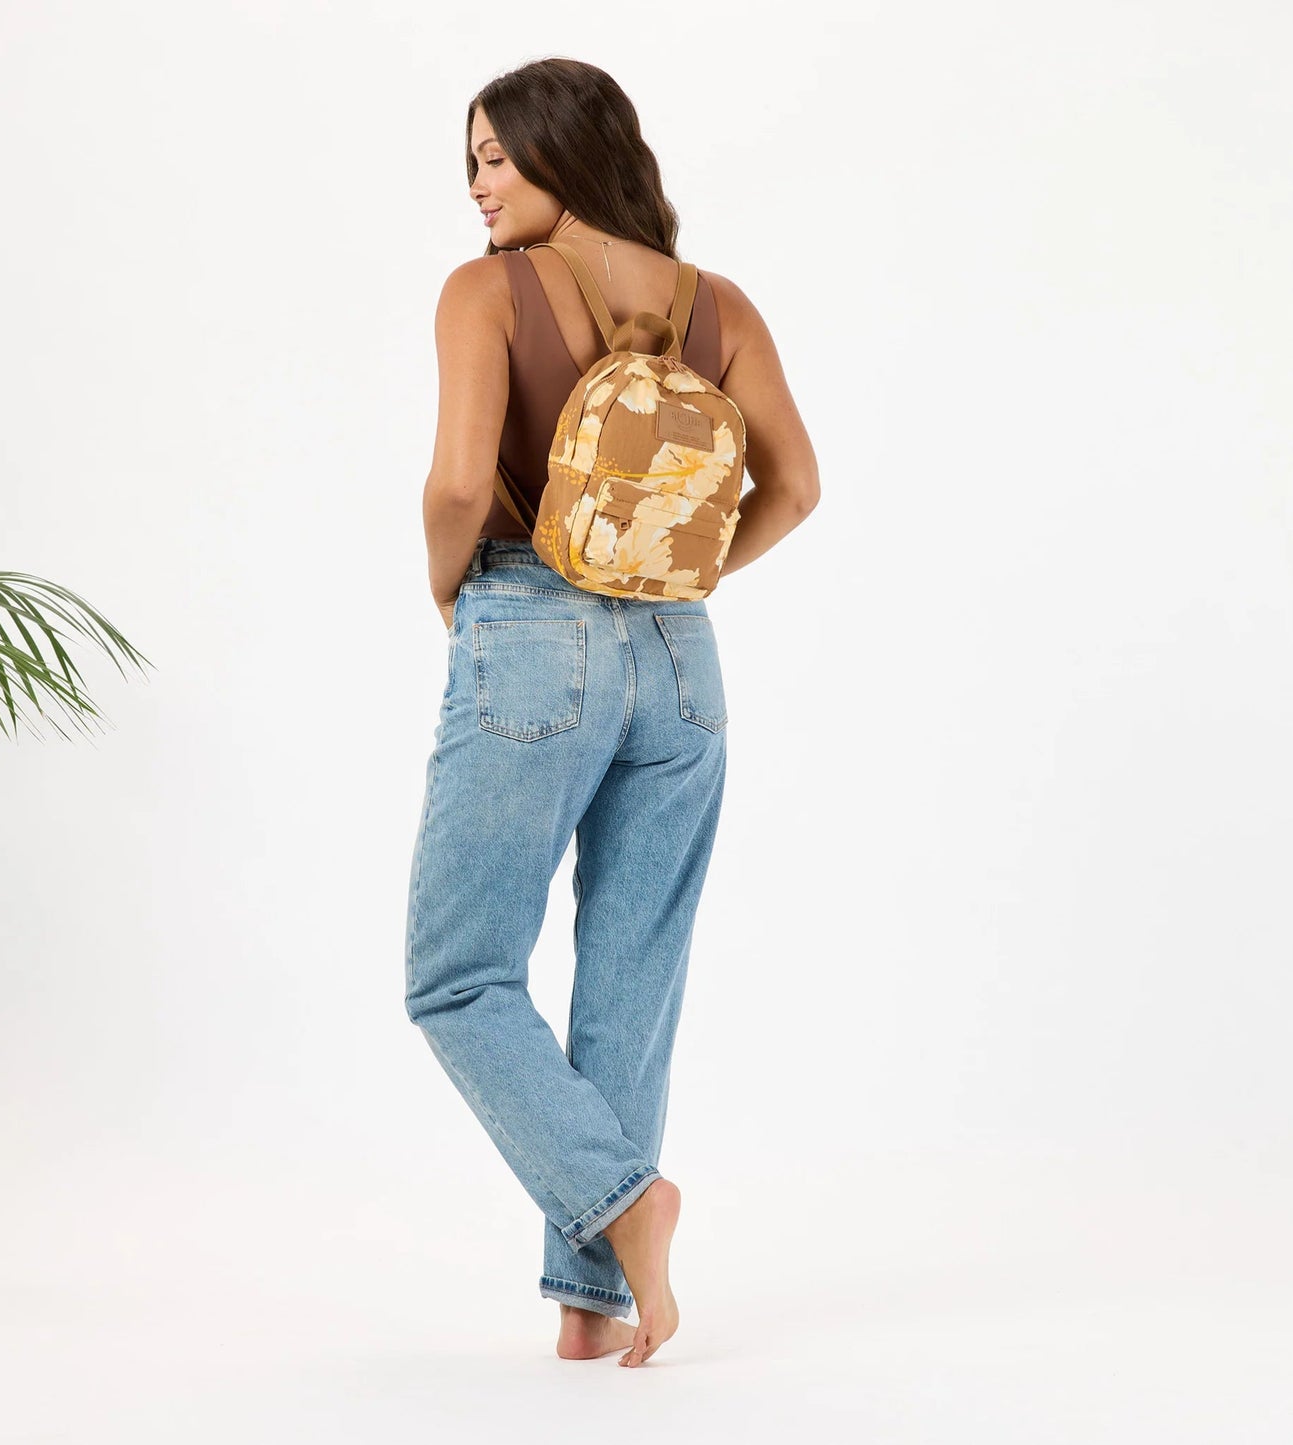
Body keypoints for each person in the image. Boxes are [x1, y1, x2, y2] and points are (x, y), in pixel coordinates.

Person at [404, 57, 819, 1368]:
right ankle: (593, 1315)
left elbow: (457, 487)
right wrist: (680, 575)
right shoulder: (721, 306)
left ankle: (623, 1204)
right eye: (469, 162)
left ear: (562, 150)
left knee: (458, 975)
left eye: (495, 156)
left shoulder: (484, 292)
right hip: (684, 659)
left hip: (531, 628)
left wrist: (452, 591)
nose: (477, 186)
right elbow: (795, 487)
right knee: (630, 981)